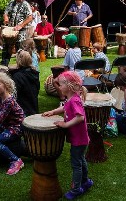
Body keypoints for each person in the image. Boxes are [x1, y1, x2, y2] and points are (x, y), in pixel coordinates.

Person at [43, 71, 92, 199]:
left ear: (70, 86)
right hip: (81, 139)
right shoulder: (71, 98)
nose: (58, 87)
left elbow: (80, 117)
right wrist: (53, 111)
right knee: (81, 160)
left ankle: (76, 189)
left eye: (60, 85)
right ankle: (85, 181)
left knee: (76, 164)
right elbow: (65, 107)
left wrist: (65, 125)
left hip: (79, 140)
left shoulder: (75, 100)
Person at [1, 0, 33, 66]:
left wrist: (21, 25)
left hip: (21, 31)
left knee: (20, 49)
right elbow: (5, 13)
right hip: (11, 29)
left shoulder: (26, 4)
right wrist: (6, 18)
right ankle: (4, 66)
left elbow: (30, 17)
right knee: (6, 48)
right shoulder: (11, 3)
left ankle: (21, 67)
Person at [11, 50, 40, 117]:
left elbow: (14, 94)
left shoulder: (17, 76)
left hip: (22, 111)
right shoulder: (34, 73)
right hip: (33, 109)